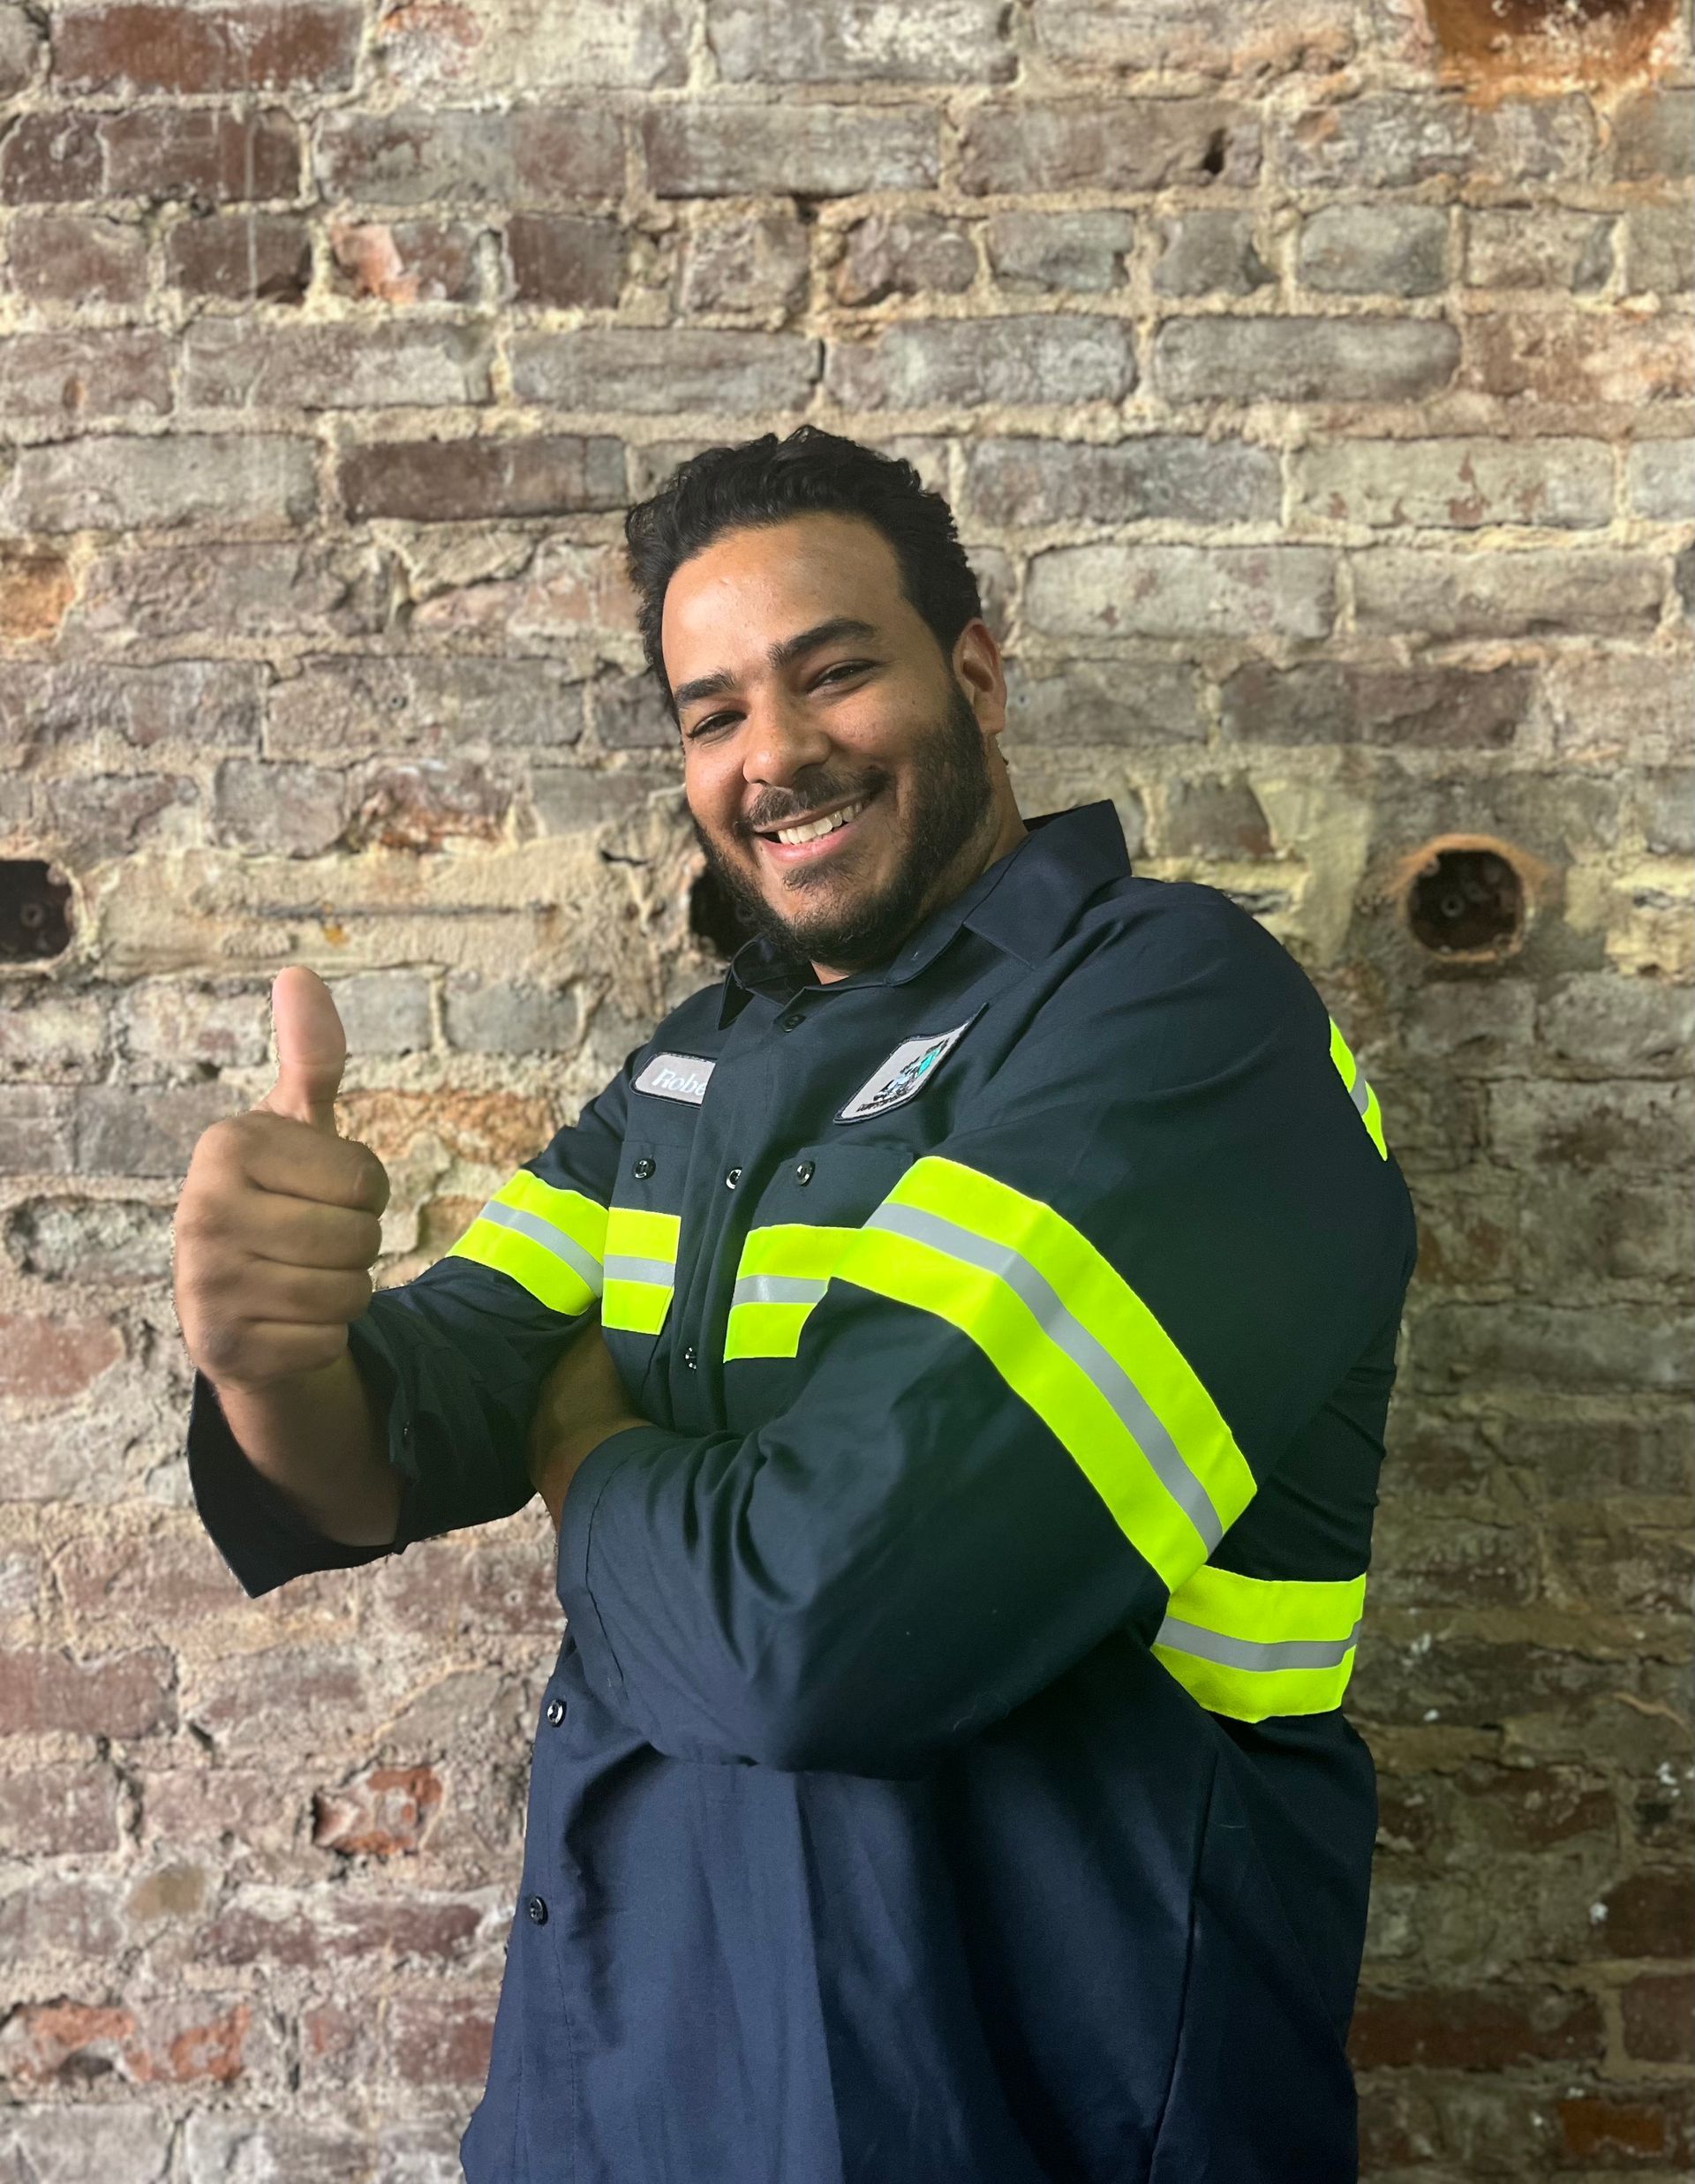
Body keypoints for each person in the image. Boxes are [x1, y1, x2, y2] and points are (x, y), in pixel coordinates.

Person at [176, 426, 1417, 2184]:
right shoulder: (689, 1071)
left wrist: (582, 1438)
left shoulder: (1177, 1020)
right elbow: (387, 1439)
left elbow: (823, 1633)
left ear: (974, 676)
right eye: (714, 713)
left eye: (833, 673)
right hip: (634, 2091)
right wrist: (266, 1359)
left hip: (1043, 2110)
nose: (773, 753)